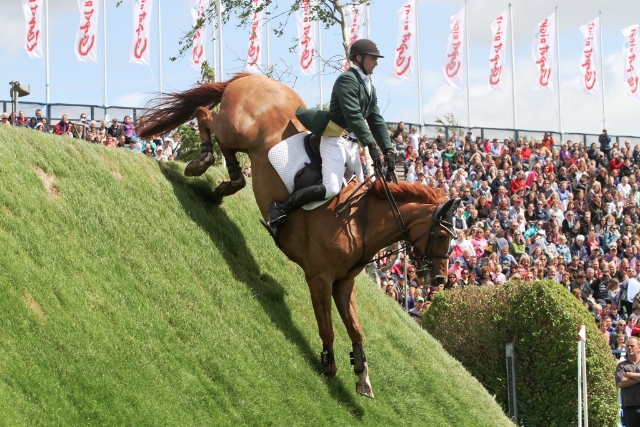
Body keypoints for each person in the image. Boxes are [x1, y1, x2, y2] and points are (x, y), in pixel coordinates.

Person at [268, 39, 394, 237]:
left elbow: (376, 118)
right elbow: (353, 115)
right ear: (359, 58)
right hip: (335, 140)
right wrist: (371, 145)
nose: (376, 63)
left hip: (351, 146)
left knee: (364, 192)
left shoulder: (369, 86)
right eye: (372, 59)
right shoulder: (347, 80)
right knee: (332, 188)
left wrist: (388, 149)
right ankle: (280, 208)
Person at [616, 336, 640, 427]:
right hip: (629, 408)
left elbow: (625, 380)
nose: (629, 348)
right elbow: (620, 383)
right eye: (628, 346)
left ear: (639, 348)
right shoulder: (622, 365)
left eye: (632, 346)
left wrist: (629, 375)